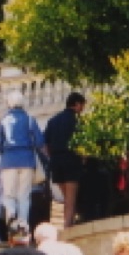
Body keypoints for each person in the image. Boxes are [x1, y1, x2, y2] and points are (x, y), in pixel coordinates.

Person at [0, 91, 49, 228]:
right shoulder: (30, 119)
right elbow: (39, 141)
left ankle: (12, 219)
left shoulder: (3, 120)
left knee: (9, 194)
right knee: (24, 196)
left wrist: (4, 152)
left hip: (8, 161)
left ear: (9, 103)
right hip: (27, 160)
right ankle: (23, 225)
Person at [44, 91, 86, 228]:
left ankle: (69, 223)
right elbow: (83, 144)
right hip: (72, 160)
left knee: (66, 196)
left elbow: (45, 144)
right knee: (70, 198)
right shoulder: (78, 121)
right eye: (82, 105)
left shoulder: (53, 120)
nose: (82, 109)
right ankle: (68, 226)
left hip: (56, 160)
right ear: (77, 104)